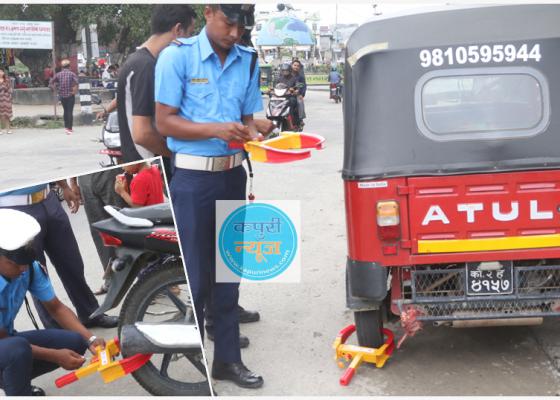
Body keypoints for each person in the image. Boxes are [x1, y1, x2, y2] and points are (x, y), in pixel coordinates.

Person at [155, 4, 264, 389]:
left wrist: (259, 134)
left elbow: (249, 119)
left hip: (232, 176)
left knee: (228, 273)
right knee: (198, 279)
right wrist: (216, 130)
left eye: (241, 27)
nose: (235, 34)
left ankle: (228, 361)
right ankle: (194, 369)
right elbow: (164, 121)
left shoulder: (247, 60)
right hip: (193, 180)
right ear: (208, 11)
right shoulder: (176, 57)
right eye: (228, 23)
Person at [0, 209, 107, 396]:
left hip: (7, 341)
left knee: (75, 341)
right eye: (15, 264)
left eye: (25, 262)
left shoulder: (29, 269)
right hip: (6, 344)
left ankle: (15, 383)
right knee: (17, 350)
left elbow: (57, 308)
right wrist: (56, 356)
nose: (23, 268)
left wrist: (90, 339)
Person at [97, 5, 197, 181]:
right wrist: (175, 154)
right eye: (189, 34)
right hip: (149, 165)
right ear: (177, 30)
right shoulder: (145, 66)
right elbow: (142, 134)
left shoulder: (137, 61)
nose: (189, 43)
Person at [0, 183, 118, 330]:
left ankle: (90, 313)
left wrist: (65, 186)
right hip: (13, 207)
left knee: (72, 263)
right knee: (35, 272)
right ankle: (57, 331)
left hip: (48, 198)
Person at [78, 169, 128, 295]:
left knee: (124, 222)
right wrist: (72, 183)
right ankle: (111, 279)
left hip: (108, 172)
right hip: (84, 177)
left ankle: (148, 277)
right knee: (99, 230)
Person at [50, 59, 78, 135]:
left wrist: (55, 89)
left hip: (62, 95)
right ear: (69, 66)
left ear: (62, 67)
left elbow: (51, 82)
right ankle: (69, 128)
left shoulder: (58, 74)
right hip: (70, 95)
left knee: (65, 111)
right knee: (70, 111)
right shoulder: (72, 74)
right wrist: (74, 91)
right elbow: (76, 82)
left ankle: (66, 127)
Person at [274, 63, 300, 128]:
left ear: (289, 71)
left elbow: (298, 87)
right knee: (273, 102)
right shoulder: (279, 79)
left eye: (286, 71)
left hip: (290, 97)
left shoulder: (294, 79)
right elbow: (275, 87)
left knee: (292, 102)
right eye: (283, 71)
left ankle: (292, 122)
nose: (285, 72)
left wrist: (295, 90)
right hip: (280, 97)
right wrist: (271, 91)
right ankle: (272, 118)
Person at [291, 59, 307, 125]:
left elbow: (303, 86)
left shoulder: (300, 77)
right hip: (285, 94)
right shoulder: (286, 74)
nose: (296, 67)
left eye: (298, 66)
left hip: (296, 94)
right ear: (291, 65)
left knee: (300, 101)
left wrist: (301, 94)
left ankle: (300, 119)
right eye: (295, 65)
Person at [0, 67, 13, 135]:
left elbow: (10, 89)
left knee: (7, 115)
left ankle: (8, 129)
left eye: (1, 71)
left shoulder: (7, 80)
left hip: (6, 99)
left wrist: (9, 96)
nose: (0, 73)